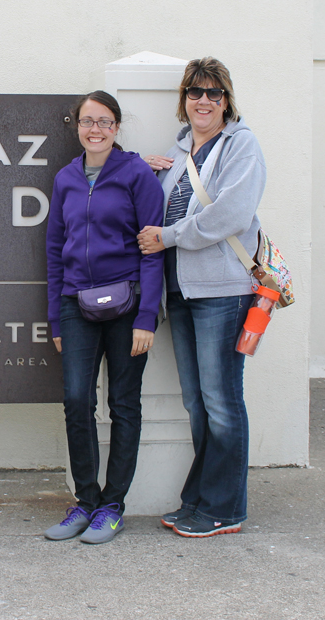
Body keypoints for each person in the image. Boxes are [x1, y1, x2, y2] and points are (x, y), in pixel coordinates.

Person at [138, 57, 266, 538]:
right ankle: (200, 499)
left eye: (214, 92)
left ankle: (225, 508)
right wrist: (146, 173)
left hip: (224, 292)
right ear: (184, 99)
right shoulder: (180, 149)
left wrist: (168, 238)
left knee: (222, 400)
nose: (204, 100)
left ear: (227, 99)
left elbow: (230, 214)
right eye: (195, 92)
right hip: (184, 291)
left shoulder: (241, 146)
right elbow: (170, 204)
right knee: (197, 400)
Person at [44, 91, 164, 544]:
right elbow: (55, 250)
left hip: (128, 303)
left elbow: (152, 251)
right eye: (87, 121)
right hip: (77, 303)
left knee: (123, 404)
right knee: (77, 400)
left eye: (105, 122)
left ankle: (113, 506)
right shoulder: (65, 179)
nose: (95, 129)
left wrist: (146, 318)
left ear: (117, 128)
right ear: (76, 126)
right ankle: (87, 501)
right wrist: (57, 317)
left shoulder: (136, 175)